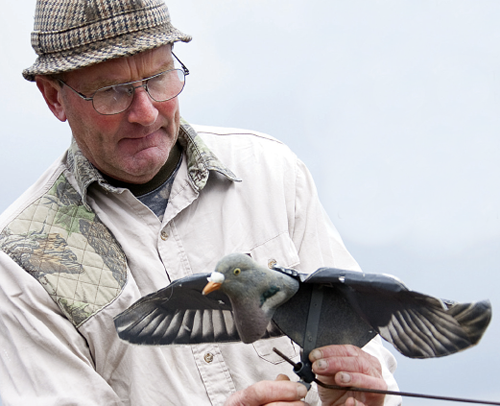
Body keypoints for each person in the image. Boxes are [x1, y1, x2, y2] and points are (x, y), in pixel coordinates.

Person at [0, 0, 400, 405]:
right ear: (54, 96)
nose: (145, 111)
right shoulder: (19, 261)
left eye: (158, 78)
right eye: (112, 92)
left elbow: (364, 348)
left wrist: (360, 391)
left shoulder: (271, 171)